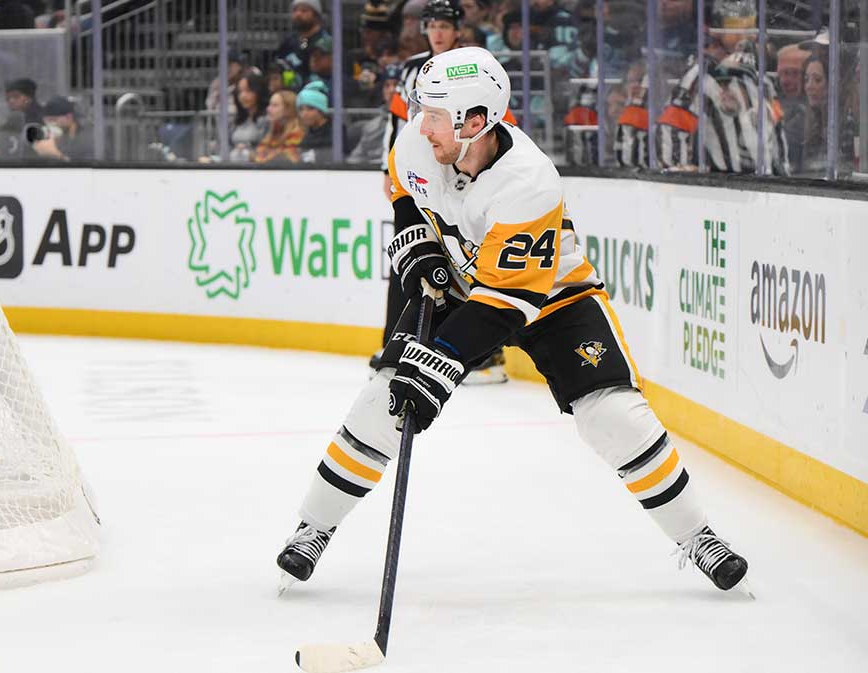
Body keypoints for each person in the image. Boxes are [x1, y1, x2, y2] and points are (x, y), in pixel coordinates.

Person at [274, 47, 751, 597]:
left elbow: (506, 304)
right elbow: (403, 189)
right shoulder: (419, 139)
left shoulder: (529, 182)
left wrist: (439, 364)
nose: (418, 122)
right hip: (462, 285)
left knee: (614, 415)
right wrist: (418, 245)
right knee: (383, 400)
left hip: (551, 299)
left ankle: (698, 535)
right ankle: (315, 526)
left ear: (475, 121)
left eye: (432, 113)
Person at [379, 0, 508, 385]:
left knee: (468, 255)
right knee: (412, 252)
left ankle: (486, 353)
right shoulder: (411, 69)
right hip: (425, 170)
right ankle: (400, 342)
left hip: (465, 174)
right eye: (431, 24)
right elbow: (397, 122)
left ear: (456, 30)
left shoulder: (476, 66)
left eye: (444, 24)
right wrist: (390, 168)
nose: (437, 31)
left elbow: (494, 126)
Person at [656, 0, 789, 175]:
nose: (745, 36)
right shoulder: (701, 75)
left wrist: (783, 177)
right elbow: (672, 128)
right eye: (735, 28)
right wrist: (677, 176)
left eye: (750, 27)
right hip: (722, 191)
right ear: (714, 31)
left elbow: (777, 133)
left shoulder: (762, 79)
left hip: (765, 190)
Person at [274, 0, 331, 91]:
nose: (298, 14)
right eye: (295, 10)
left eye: (304, 10)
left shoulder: (327, 42)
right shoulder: (288, 42)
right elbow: (284, 68)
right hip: (291, 97)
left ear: (316, 15)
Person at [31, 96, 94, 161]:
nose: (49, 125)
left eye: (53, 120)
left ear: (69, 117)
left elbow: (88, 167)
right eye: (46, 121)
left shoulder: (88, 137)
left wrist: (58, 155)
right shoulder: (54, 136)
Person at [254, 90, 305, 164]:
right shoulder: (273, 130)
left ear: (289, 109)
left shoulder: (298, 133)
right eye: (269, 104)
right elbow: (259, 155)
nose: (268, 109)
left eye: (275, 105)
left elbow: (288, 160)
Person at [230, 71, 271, 163]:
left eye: (248, 91)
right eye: (240, 91)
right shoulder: (237, 120)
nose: (243, 96)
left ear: (258, 91)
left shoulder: (267, 120)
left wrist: (250, 153)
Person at [297, 82, 342, 163]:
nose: (304, 114)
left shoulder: (337, 133)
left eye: (310, 109)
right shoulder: (306, 136)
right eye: (301, 109)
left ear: (321, 110)